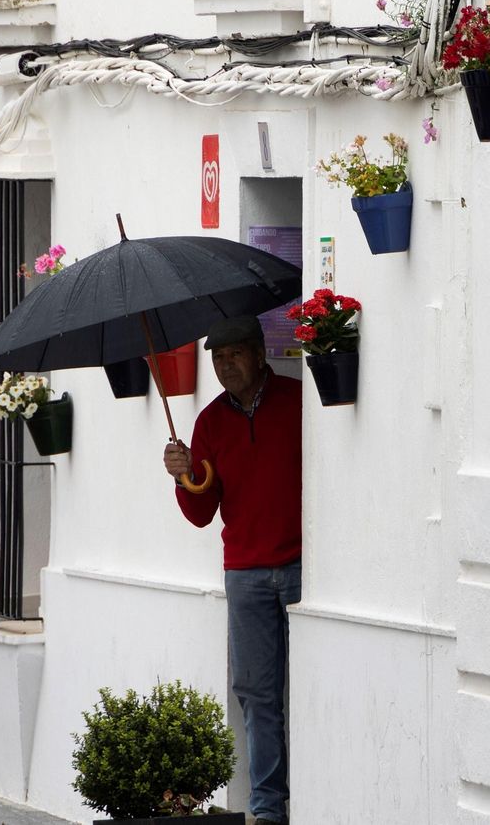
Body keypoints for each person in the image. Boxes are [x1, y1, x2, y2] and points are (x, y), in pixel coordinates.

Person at [163, 315, 301, 825]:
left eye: (234, 354)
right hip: (244, 572)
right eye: (217, 359)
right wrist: (183, 478)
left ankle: (315, 788)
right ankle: (268, 808)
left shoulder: (297, 402)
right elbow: (202, 511)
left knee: (309, 684)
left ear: (260, 354)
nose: (225, 366)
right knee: (257, 695)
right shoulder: (209, 423)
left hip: (302, 567)